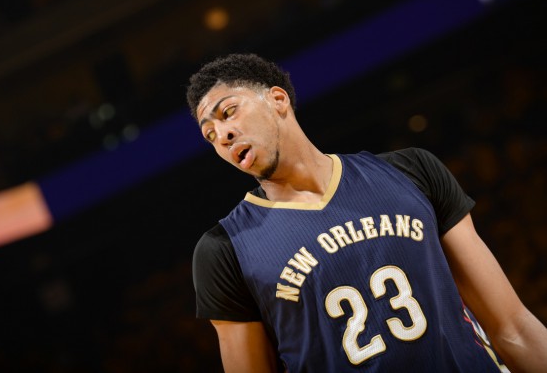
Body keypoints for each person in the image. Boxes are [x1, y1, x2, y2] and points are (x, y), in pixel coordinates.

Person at [186, 53, 547, 372]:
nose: (222, 135)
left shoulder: (412, 172)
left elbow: (512, 326)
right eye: (210, 134)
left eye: (229, 112)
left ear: (278, 100)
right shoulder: (224, 249)